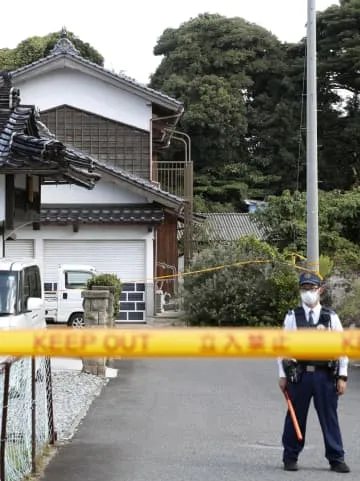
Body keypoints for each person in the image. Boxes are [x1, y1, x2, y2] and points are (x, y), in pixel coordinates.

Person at [278, 271, 350, 473]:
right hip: (299, 376)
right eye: (304, 289)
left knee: (329, 417)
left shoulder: (330, 317)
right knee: (295, 417)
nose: (308, 292)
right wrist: (283, 375)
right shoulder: (293, 316)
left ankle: (336, 458)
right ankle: (290, 457)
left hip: (325, 376)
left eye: (311, 288)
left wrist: (342, 377)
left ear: (320, 290)